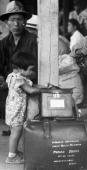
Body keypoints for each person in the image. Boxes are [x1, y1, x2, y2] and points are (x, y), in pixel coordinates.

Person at [0, 0, 37, 136]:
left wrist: (29, 75)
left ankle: (24, 131)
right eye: (12, 20)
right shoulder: (3, 43)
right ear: (7, 22)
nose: (16, 24)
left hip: (29, 81)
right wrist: (2, 78)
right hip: (10, 83)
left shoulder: (33, 40)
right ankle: (12, 126)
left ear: (25, 22)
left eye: (19, 19)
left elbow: (38, 66)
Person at [5, 52, 42, 164]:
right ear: (20, 69)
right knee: (16, 133)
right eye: (30, 69)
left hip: (13, 110)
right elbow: (30, 90)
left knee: (15, 132)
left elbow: (30, 85)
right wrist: (42, 90)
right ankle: (11, 157)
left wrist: (41, 86)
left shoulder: (13, 76)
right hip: (16, 112)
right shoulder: (19, 79)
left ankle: (14, 152)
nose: (32, 72)